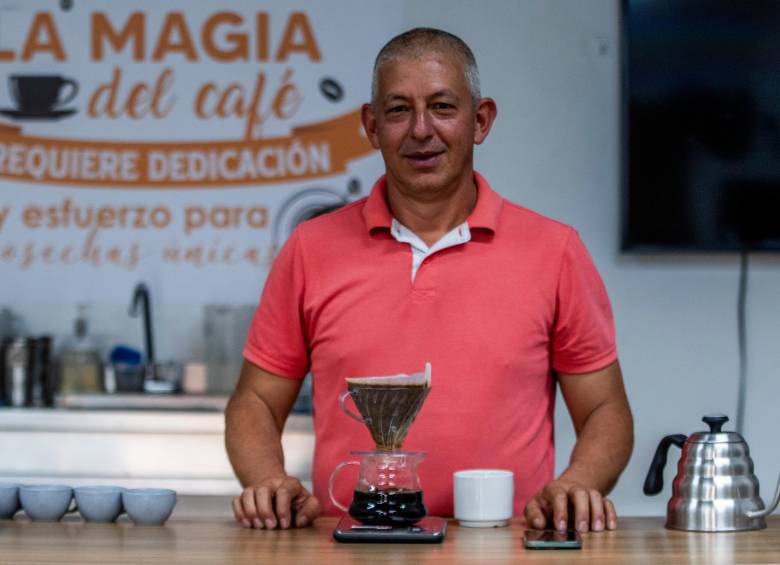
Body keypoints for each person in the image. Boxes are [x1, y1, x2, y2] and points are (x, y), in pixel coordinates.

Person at [225, 27, 633, 533]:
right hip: (354, 546)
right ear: (372, 127)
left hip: (506, 547)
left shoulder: (555, 251)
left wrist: (579, 482)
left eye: (443, 107)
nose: (421, 129)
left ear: (480, 120)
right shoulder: (310, 249)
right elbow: (254, 402)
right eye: (398, 110)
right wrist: (267, 480)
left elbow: (606, 411)